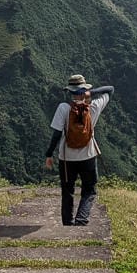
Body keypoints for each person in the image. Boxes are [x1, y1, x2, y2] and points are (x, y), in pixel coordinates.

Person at [44, 73, 114, 226]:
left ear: (69, 92)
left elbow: (56, 134)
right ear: (84, 91)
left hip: (66, 158)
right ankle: (81, 220)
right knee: (89, 190)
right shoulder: (94, 106)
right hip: (88, 157)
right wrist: (90, 93)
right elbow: (110, 90)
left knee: (67, 191)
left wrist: (49, 154)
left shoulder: (63, 108)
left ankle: (68, 224)